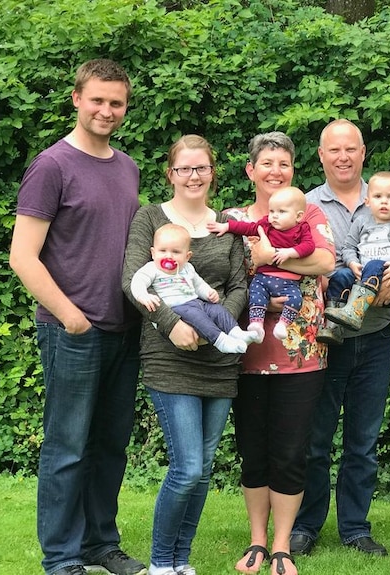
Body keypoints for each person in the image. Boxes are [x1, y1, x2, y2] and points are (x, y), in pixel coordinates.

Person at [9, 58, 146, 575]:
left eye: (116, 103)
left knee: (110, 446)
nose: (107, 110)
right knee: (67, 448)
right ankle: (62, 558)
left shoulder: (128, 166)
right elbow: (23, 255)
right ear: (76, 99)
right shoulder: (52, 166)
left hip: (124, 329)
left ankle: (100, 545)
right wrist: (71, 317)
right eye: (98, 100)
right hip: (73, 331)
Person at [291, 119, 390, 556]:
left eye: (350, 149)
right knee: (316, 441)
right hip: (325, 337)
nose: (342, 157)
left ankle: (355, 527)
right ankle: (306, 526)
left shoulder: (386, 195)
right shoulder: (309, 202)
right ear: (320, 155)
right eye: (333, 150)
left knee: (363, 441)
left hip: (376, 336)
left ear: (363, 152)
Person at [121, 135, 249, 575]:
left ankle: (181, 561)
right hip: (169, 357)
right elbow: (133, 282)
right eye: (184, 169)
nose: (193, 177)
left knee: (205, 466)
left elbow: (238, 286)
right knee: (188, 465)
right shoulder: (150, 218)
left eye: (201, 168)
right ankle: (160, 563)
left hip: (219, 359)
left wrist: (214, 329)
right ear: (170, 173)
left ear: (213, 171)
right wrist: (175, 325)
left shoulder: (226, 224)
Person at [226, 132, 335, 575]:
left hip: (299, 354)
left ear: (294, 170)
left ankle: (283, 544)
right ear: (251, 170)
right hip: (245, 355)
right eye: (267, 163)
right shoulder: (233, 218)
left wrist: (273, 257)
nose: (276, 171)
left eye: (284, 164)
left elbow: (325, 262)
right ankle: (256, 540)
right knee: (253, 450)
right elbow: (223, 277)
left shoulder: (308, 211)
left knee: (292, 452)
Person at [130, 223, 261, 353]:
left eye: (175, 252)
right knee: (198, 317)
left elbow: (199, 285)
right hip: (175, 308)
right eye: (162, 251)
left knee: (217, 310)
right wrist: (143, 295)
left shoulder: (187, 268)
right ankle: (221, 341)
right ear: (153, 253)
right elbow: (137, 281)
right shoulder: (152, 268)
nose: (168, 256)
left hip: (195, 302)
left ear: (187, 256)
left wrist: (208, 293)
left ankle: (236, 332)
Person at [322, 171, 390, 336]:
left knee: (376, 264)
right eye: (378, 196)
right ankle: (333, 327)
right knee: (340, 276)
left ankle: (355, 311)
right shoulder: (361, 222)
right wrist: (352, 263)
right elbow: (348, 247)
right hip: (363, 278)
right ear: (367, 202)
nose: (384, 201)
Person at [207, 186, 315, 340]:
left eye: (281, 212)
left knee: (296, 299)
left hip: (289, 282)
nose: (274, 216)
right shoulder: (266, 225)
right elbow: (249, 228)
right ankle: (256, 325)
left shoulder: (302, 229)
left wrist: (290, 252)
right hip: (263, 277)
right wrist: (227, 226)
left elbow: (309, 246)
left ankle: (283, 324)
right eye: (271, 211)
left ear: (298, 216)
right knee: (255, 294)